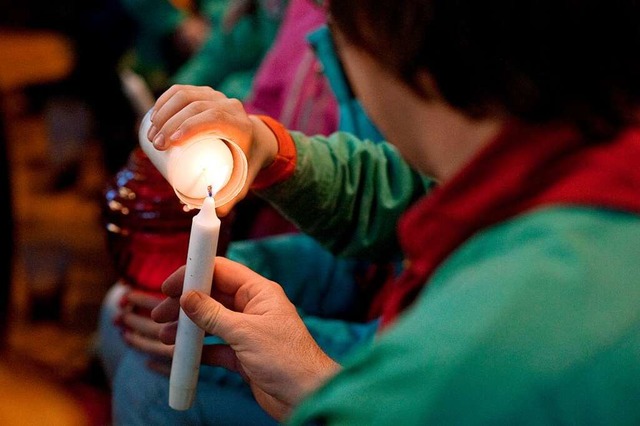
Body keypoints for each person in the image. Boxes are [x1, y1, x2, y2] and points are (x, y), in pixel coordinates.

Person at [148, 0, 640, 424]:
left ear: (380, 39)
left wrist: (345, 398)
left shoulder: (471, 358)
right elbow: (416, 188)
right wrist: (317, 381)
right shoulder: (588, 140)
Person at [97, 1, 389, 423]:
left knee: (147, 384)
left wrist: (299, 344)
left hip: (362, 327)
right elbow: (384, 189)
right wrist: (265, 143)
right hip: (339, 263)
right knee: (128, 309)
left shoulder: (388, 49)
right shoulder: (310, 14)